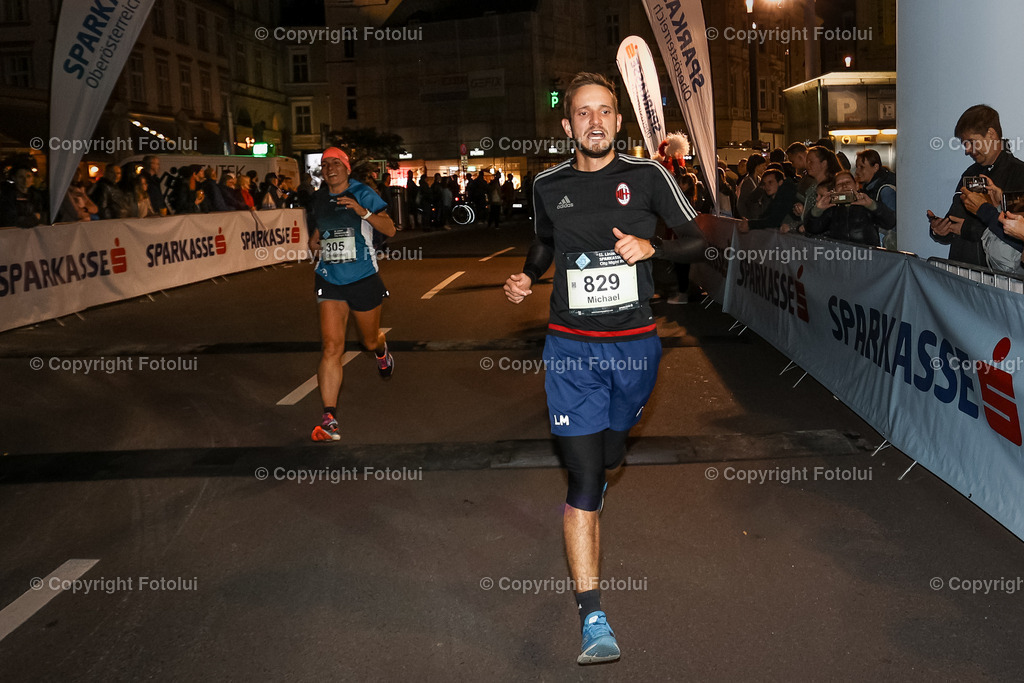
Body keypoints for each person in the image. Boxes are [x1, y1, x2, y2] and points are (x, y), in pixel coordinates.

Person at [503, 72, 705, 666]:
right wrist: (527, 274)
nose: (595, 122)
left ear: (619, 121)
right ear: (567, 126)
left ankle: (612, 448)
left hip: (635, 345)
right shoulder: (546, 185)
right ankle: (593, 615)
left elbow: (698, 241)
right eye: (583, 113)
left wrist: (654, 249)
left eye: (606, 112)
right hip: (569, 345)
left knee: (613, 452)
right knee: (585, 480)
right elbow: (543, 244)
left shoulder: (648, 177)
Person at [307, 147, 397, 442]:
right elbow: (318, 235)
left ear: (346, 167)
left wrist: (364, 212)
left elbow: (390, 229)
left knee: (368, 340)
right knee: (332, 347)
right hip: (329, 278)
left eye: (336, 163)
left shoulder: (363, 192)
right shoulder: (319, 197)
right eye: (325, 164)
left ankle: (381, 350)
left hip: (363, 278)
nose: (330, 168)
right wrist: (315, 244)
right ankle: (329, 418)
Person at [929, 105, 1024, 266]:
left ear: (991, 134)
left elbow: (1017, 236)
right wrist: (940, 230)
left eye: (971, 142)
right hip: (960, 273)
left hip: (998, 281)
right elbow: (954, 218)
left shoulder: (1019, 173)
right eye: (964, 143)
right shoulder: (970, 173)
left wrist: (968, 229)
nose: (967, 150)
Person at [804, 170, 894, 246]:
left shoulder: (868, 202)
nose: (844, 186)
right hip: (841, 256)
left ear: (857, 185)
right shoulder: (831, 208)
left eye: (848, 182)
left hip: (866, 256)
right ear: (834, 190)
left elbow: (890, 222)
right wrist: (817, 210)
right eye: (839, 184)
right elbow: (812, 229)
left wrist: (872, 205)